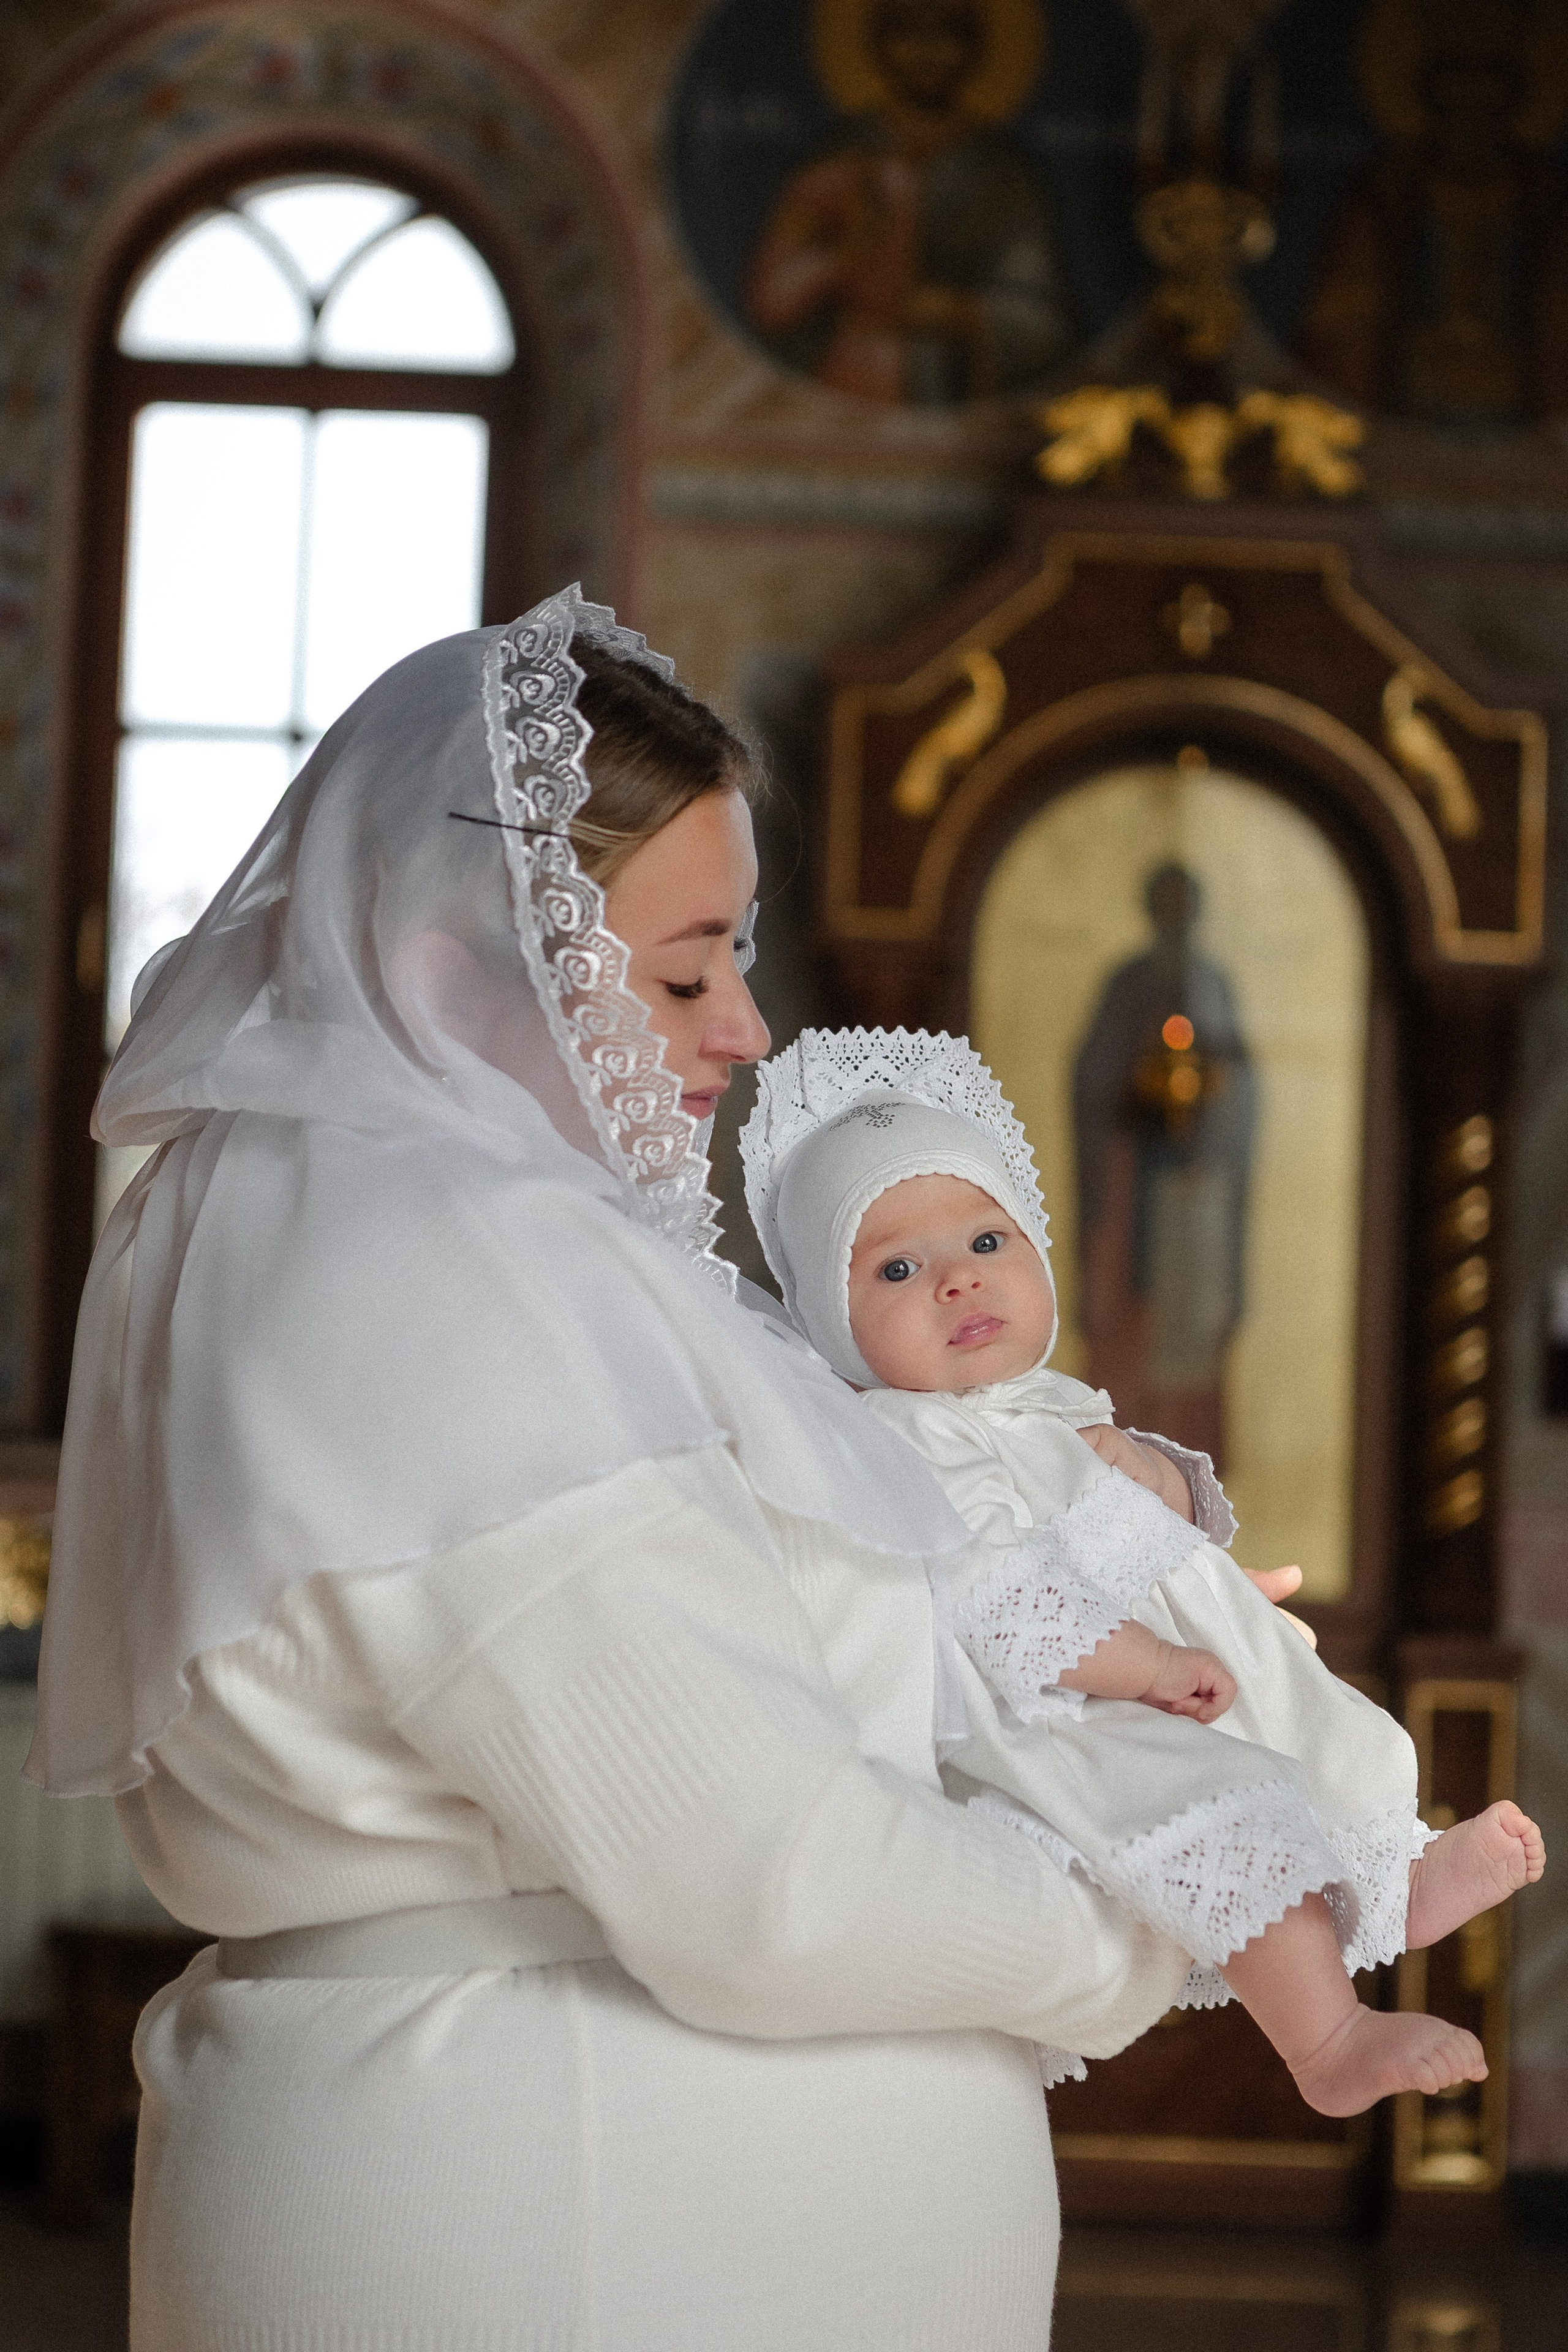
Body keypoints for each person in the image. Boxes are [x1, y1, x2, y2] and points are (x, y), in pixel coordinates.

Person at [27, 589, 1277, 2351]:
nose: (745, 1029)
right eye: (687, 969)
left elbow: (726, 1679)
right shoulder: (423, 1263)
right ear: (463, 958)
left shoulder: (386, 1228)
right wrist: (1163, 1896)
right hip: (549, 2213)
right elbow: (773, 1882)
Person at [739, 1026, 1545, 2116]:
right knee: (1222, 1797)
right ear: (838, 1328)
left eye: (986, 1241)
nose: (955, 1284)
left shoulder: (1049, 1402)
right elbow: (995, 1593)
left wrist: (1149, 1480)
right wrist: (1144, 1666)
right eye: (895, 1268)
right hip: (1069, 1703)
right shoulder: (916, 1443)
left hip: (1164, 1652)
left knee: (1322, 1728)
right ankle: (1328, 2039)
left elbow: (1176, 1505)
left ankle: (1393, 1873)